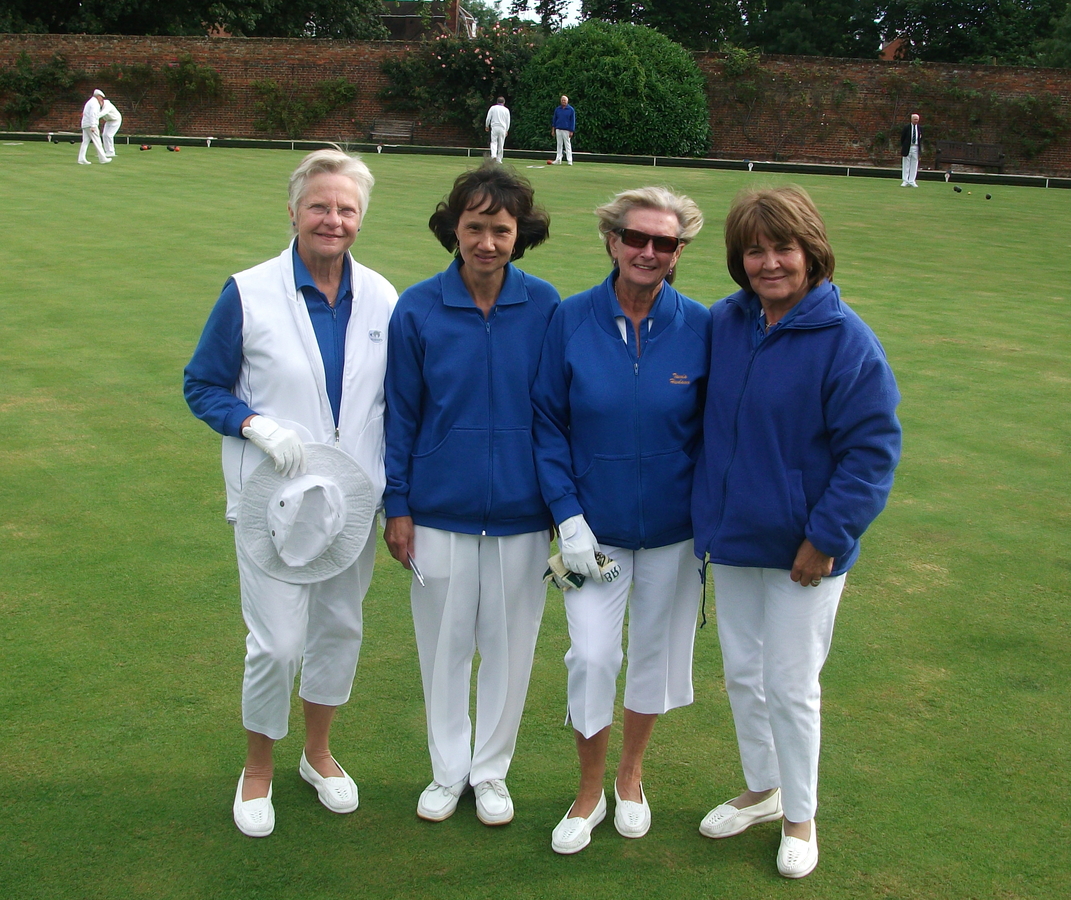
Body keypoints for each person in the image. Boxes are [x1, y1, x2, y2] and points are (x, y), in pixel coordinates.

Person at [183, 149, 397, 837]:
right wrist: (251, 422)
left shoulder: (384, 297)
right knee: (276, 644)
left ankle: (317, 753)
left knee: (339, 630)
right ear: (294, 211)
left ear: (359, 218)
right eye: (320, 206)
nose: (332, 220)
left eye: (345, 209)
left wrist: (398, 500)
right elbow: (202, 384)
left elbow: (393, 407)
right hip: (271, 504)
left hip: (353, 505)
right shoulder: (246, 292)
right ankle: (257, 768)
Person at [692, 185, 901, 878]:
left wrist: (828, 536)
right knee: (743, 677)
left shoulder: (846, 341)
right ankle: (761, 789)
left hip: (805, 553)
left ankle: (800, 817)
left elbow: (870, 451)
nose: (769, 263)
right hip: (733, 541)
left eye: (782, 247)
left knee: (789, 684)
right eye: (754, 250)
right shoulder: (723, 323)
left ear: (811, 252)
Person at [532, 187, 709, 854]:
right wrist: (566, 517)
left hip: (674, 534)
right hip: (589, 539)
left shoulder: (700, 325)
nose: (647, 251)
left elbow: (714, 431)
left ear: (677, 252)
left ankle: (630, 777)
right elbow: (547, 423)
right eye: (635, 237)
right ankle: (588, 790)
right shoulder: (568, 319)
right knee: (592, 656)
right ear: (610, 240)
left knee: (654, 661)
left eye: (663, 243)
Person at [384, 164, 558, 828]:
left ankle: (490, 774)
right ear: (453, 228)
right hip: (437, 512)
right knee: (445, 649)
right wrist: (396, 506)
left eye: (501, 229)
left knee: (509, 652)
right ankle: (447, 771)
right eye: (475, 227)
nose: (487, 242)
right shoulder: (417, 308)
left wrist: (554, 506)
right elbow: (400, 415)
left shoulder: (543, 305)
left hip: (521, 514)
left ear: (521, 234)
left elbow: (553, 413)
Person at [77, 89, 110, 165]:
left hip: (85, 124)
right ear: (98, 96)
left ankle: (81, 159)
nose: (102, 99)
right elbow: (93, 114)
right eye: (101, 97)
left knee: (85, 142)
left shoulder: (90, 102)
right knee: (97, 141)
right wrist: (93, 125)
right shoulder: (95, 103)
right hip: (90, 125)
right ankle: (103, 158)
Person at [551, 95, 575, 166]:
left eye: (564, 100)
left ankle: (569, 160)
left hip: (566, 130)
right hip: (558, 129)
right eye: (562, 100)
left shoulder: (571, 110)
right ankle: (558, 159)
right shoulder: (557, 109)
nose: (563, 101)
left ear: (567, 101)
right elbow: (554, 120)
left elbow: (572, 121)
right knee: (559, 144)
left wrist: (571, 131)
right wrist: (553, 129)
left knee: (567, 145)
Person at [485, 96, 510, 163]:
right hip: (502, 128)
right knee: (501, 144)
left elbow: (488, 118)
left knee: (493, 142)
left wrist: (487, 125)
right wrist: (507, 130)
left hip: (494, 127)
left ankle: (493, 156)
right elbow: (508, 121)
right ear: (504, 102)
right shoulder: (506, 110)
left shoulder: (493, 108)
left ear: (497, 102)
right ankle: (499, 159)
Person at [900, 113, 922, 187]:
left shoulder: (919, 128)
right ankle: (905, 180)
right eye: (915, 119)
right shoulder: (906, 127)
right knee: (906, 163)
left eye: (917, 119)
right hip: (908, 147)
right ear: (911, 119)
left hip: (915, 147)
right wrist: (905, 146)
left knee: (914, 163)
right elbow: (902, 138)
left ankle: (912, 180)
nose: (916, 121)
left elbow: (920, 138)